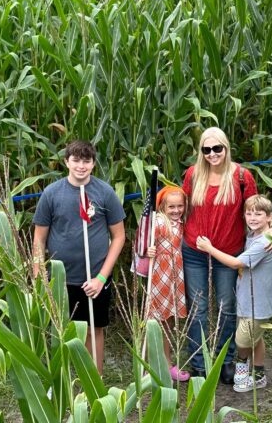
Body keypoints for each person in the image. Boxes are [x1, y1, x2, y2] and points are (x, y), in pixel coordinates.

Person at [32, 140, 126, 374]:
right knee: (59, 331)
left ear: (93, 164)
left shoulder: (104, 192)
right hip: (60, 279)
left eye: (86, 161)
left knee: (94, 330)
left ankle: (95, 382)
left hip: (94, 279)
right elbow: (38, 239)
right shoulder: (52, 194)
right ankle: (61, 380)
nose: (81, 166)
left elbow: (119, 236)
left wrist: (101, 278)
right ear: (66, 162)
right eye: (76, 160)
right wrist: (39, 275)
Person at [180, 127, 257, 384]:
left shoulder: (242, 177)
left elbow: (256, 213)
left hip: (228, 252)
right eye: (206, 149)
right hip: (194, 252)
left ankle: (226, 361)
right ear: (201, 151)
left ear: (226, 147)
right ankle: (200, 364)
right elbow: (178, 208)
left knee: (227, 308)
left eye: (217, 148)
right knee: (198, 309)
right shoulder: (193, 175)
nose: (212, 154)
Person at [196, 194, 272, 393]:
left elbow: (235, 263)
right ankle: (259, 374)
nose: (252, 218)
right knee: (255, 337)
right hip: (247, 298)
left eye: (258, 214)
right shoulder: (255, 234)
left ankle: (242, 366)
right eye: (248, 213)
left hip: (257, 303)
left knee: (243, 341)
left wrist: (209, 248)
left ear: (268, 216)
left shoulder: (263, 242)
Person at [144, 186, 190, 382]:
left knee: (168, 320)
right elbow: (142, 242)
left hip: (174, 273)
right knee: (155, 319)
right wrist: (148, 250)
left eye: (180, 206)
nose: (176, 210)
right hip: (159, 273)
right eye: (171, 206)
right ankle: (150, 366)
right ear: (162, 206)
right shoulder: (159, 221)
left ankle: (167, 363)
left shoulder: (180, 222)